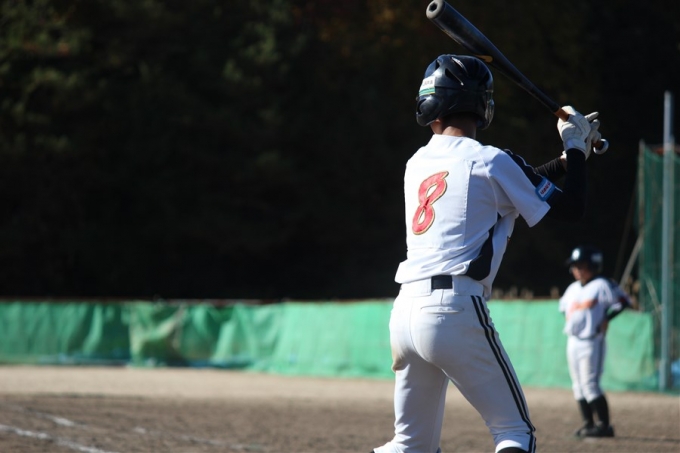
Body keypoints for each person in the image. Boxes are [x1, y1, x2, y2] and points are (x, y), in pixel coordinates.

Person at [371, 54, 606, 453]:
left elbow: (510, 183)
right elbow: (571, 208)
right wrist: (575, 146)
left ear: (432, 104)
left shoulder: (416, 163)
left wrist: (568, 160)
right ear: (482, 105)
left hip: (405, 312)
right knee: (515, 432)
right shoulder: (490, 159)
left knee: (409, 445)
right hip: (454, 309)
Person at [559, 245, 631, 438]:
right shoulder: (573, 288)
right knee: (578, 385)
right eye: (574, 266)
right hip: (573, 340)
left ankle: (604, 425)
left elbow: (623, 302)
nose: (576, 270)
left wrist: (607, 318)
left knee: (590, 383)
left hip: (592, 340)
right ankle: (588, 424)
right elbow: (563, 309)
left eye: (581, 265)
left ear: (593, 265)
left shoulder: (602, 284)